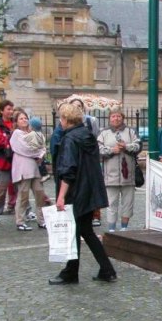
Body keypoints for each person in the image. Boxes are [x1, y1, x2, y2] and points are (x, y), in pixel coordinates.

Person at [49, 102, 117, 285]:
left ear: (66, 119)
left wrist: (61, 196)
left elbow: (68, 169)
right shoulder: (87, 135)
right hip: (90, 190)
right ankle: (107, 269)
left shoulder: (70, 139)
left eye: (61, 118)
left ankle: (71, 273)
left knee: (75, 231)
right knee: (86, 231)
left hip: (76, 191)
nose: (60, 122)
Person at [98, 108, 141, 232]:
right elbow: (98, 149)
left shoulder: (131, 131)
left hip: (128, 176)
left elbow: (138, 146)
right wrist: (112, 150)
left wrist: (126, 147)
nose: (116, 118)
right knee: (111, 203)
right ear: (109, 119)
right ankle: (111, 229)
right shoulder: (103, 133)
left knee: (128, 203)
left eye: (118, 116)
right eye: (113, 116)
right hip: (110, 176)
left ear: (122, 118)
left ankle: (124, 228)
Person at [10, 109, 47, 232]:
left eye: (25, 118)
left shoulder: (33, 133)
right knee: (23, 195)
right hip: (23, 168)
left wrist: (40, 153)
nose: (24, 120)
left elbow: (42, 146)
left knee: (40, 194)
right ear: (16, 122)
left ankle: (41, 220)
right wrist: (38, 153)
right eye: (21, 118)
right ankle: (20, 221)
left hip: (35, 168)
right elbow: (26, 149)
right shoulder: (17, 134)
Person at [0, 99, 17, 225]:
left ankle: (25, 210)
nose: (11, 111)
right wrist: (11, 139)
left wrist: (9, 138)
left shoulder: (15, 123)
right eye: (8, 109)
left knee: (21, 188)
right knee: (1, 190)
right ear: (1, 111)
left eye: (12, 109)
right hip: (2, 161)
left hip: (16, 161)